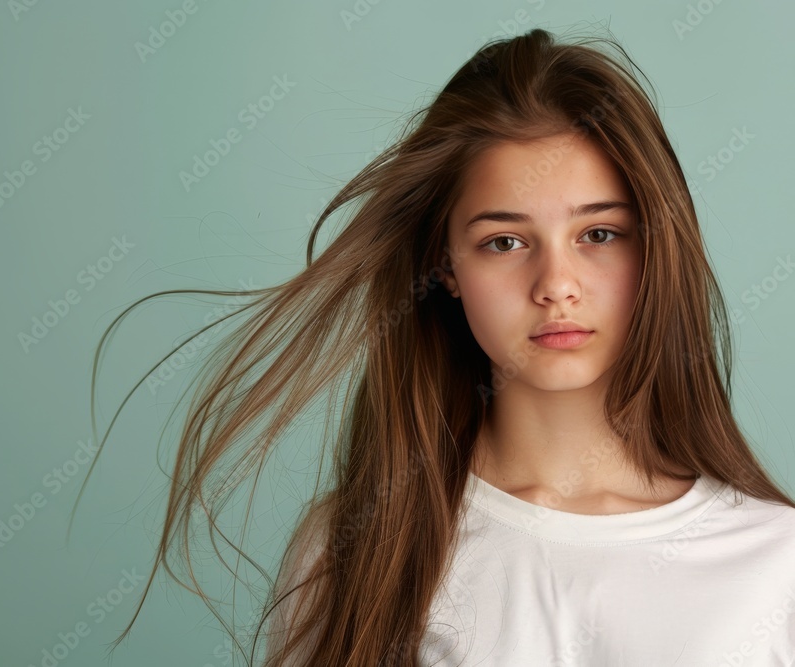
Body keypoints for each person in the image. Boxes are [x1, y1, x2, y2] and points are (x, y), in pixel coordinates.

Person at [70, 27, 795, 666]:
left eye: (598, 233)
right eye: (504, 241)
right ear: (445, 265)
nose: (556, 285)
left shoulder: (776, 560)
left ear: (656, 246)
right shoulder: (356, 549)